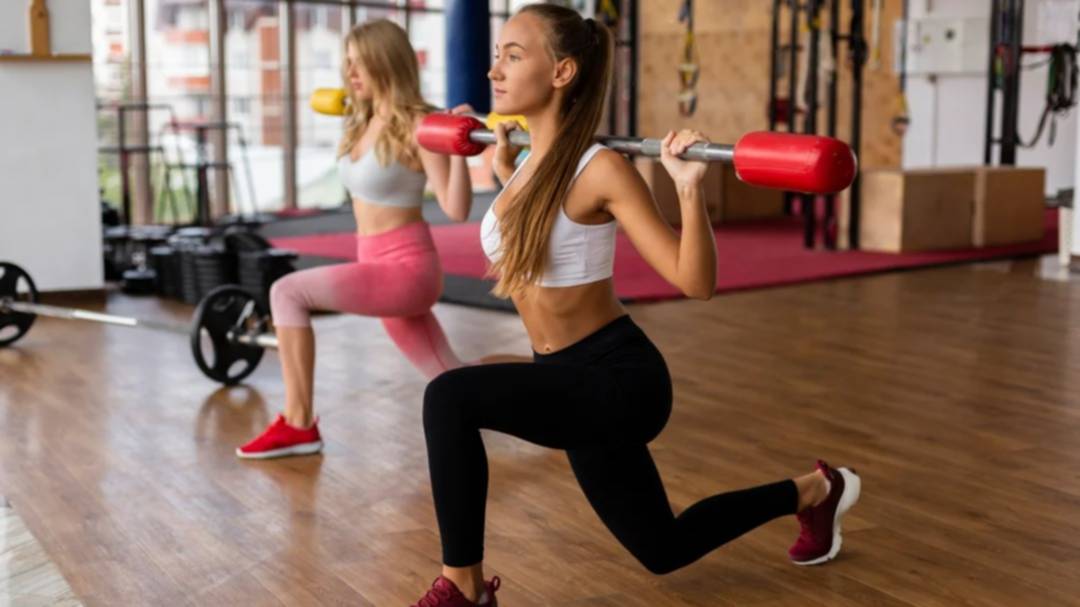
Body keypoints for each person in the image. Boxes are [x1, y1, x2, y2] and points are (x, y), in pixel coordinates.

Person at [410, 5, 861, 605]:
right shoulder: (522, 166)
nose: (495, 70)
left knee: (449, 397)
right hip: (563, 377)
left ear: (562, 71)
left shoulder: (603, 170)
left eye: (513, 56)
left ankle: (465, 589)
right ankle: (815, 491)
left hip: (619, 380)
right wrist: (503, 169)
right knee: (662, 548)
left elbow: (694, 281)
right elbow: (529, 239)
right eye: (497, 56)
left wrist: (688, 189)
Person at [237, 20, 475, 459]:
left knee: (286, 293)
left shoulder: (420, 125)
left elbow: (456, 208)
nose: (349, 74)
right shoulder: (361, 119)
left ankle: (298, 423)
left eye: (358, 63)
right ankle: (547, 390)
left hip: (406, 271)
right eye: (347, 63)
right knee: (455, 380)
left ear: (385, 63)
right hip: (376, 266)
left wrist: (459, 147)